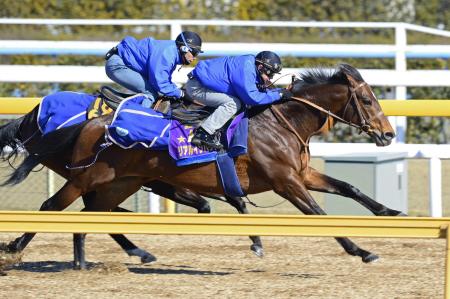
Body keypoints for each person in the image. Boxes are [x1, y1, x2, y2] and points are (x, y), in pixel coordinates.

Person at [185, 51, 293, 150]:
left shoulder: (251, 65)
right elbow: (252, 98)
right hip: (197, 87)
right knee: (233, 104)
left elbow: (257, 91)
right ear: (260, 67)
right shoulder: (245, 69)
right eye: (270, 74)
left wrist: (280, 91)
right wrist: (279, 94)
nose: (271, 78)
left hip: (203, 84)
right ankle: (203, 133)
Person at [105, 31, 203, 108]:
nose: (194, 57)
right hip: (118, 65)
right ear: (184, 48)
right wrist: (181, 94)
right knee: (151, 93)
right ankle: (136, 125)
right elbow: (160, 84)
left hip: (123, 63)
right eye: (194, 53)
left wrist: (178, 92)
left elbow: (164, 81)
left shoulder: (172, 53)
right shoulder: (167, 54)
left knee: (156, 92)